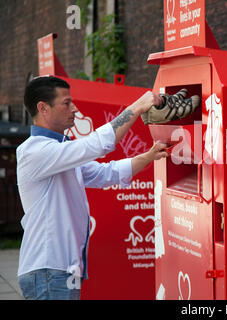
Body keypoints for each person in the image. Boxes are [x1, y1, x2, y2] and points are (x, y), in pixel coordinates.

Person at [15, 76, 191, 300]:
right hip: (50, 271)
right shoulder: (36, 152)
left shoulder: (57, 150)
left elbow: (105, 174)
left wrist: (148, 156)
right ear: (43, 108)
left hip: (57, 270)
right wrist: (137, 107)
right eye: (66, 103)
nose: (74, 109)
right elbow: (97, 144)